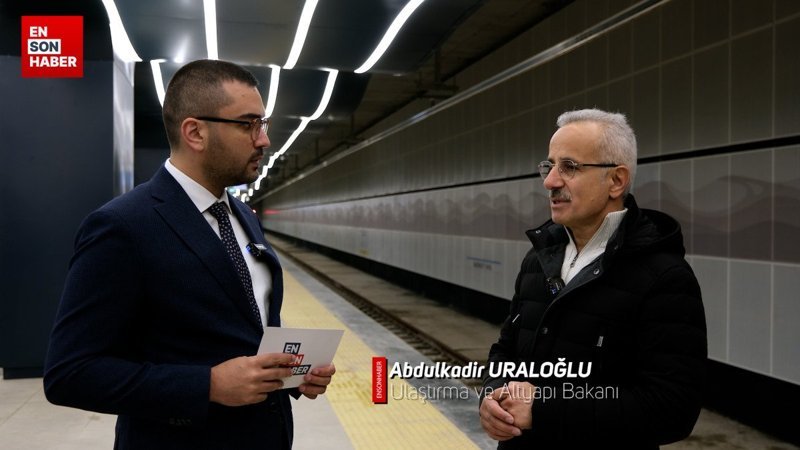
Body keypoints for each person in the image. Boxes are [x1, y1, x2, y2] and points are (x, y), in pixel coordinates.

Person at [44, 59, 335, 449]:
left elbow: (246, 329)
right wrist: (208, 385)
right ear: (195, 132)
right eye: (248, 124)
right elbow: (70, 373)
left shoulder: (243, 215)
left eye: (262, 125)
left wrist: (293, 374)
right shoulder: (123, 226)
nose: (263, 140)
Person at [479, 108, 707, 448]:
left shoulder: (664, 277)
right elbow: (506, 349)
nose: (550, 181)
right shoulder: (539, 260)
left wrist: (542, 411)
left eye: (569, 167)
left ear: (616, 180)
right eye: (549, 165)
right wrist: (491, 397)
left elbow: (672, 409)